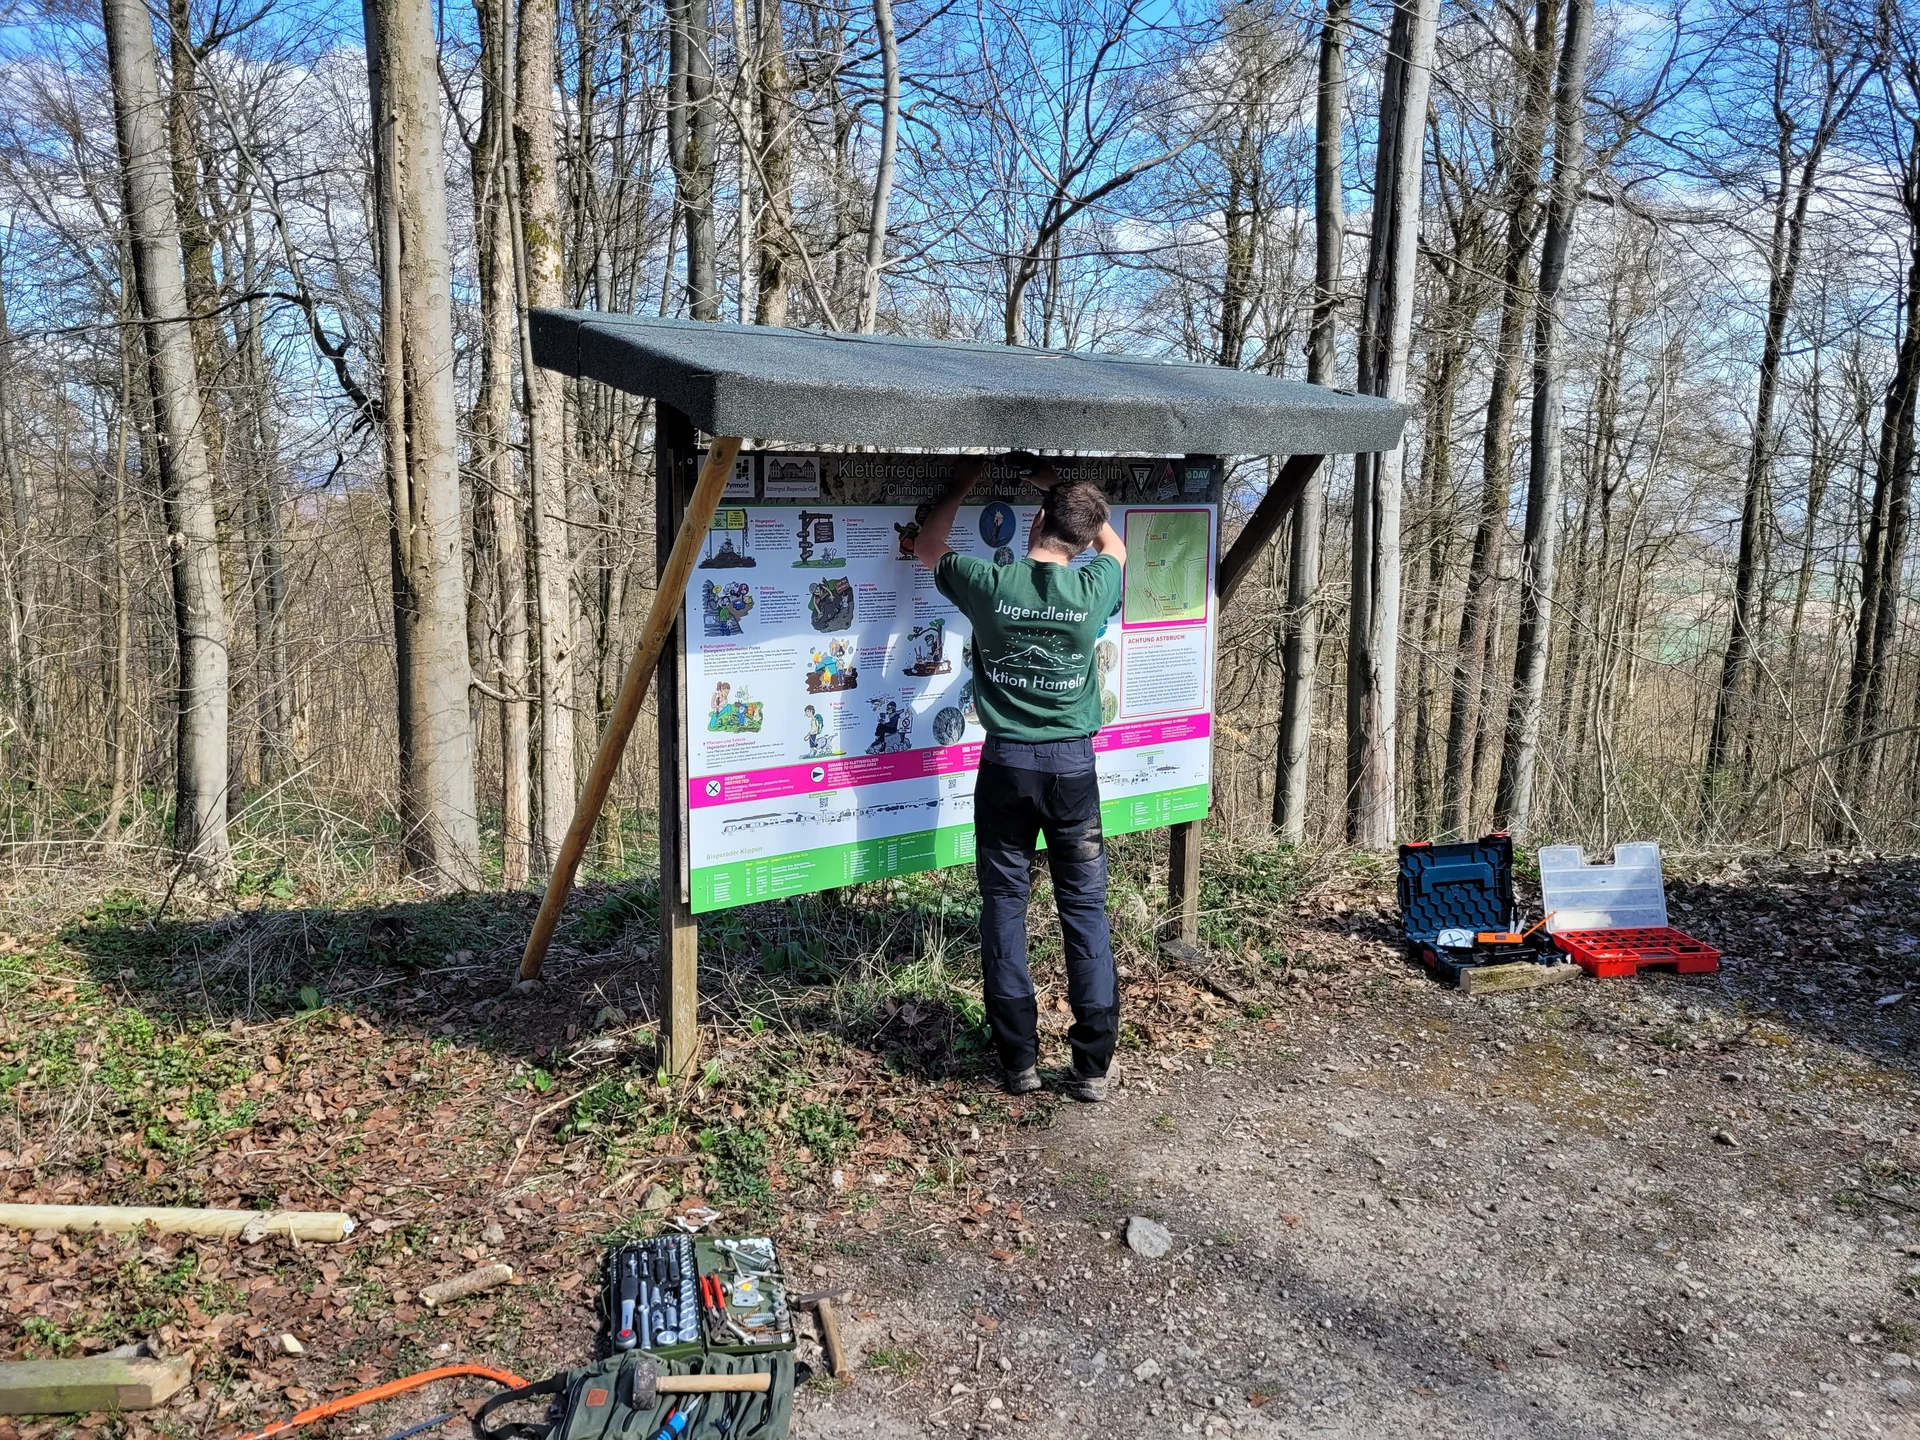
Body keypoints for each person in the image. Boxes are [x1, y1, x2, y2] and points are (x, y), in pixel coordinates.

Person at [912, 453, 1127, 1102]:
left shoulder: (991, 584)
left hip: (1006, 768)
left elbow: (927, 545)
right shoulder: (1092, 591)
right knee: (1084, 910)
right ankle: (1091, 1067)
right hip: (1072, 771)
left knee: (1005, 907)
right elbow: (1111, 543)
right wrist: (1060, 490)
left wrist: (962, 482)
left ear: (1033, 525)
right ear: (1079, 539)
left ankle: (1019, 1062)